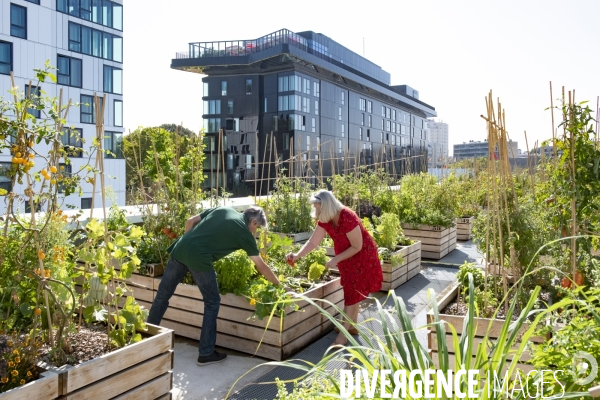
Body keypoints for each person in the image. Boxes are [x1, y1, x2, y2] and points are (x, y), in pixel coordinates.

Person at [147, 206, 286, 366]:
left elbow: (190, 221)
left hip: (181, 248)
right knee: (212, 302)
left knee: (162, 296)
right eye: (257, 227)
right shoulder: (244, 232)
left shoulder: (223, 209)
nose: (255, 232)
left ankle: (146, 341)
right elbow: (261, 266)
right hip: (199, 257)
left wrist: (189, 245)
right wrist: (281, 286)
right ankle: (206, 353)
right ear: (253, 221)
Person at [286, 190, 382, 345]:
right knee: (351, 291)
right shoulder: (326, 218)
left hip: (362, 255)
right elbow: (313, 242)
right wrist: (297, 256)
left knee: (352, 292)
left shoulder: (348, 217)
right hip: (346, 256)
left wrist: (335, 259)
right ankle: (351, 327)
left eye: (318, 208)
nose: (316, 212)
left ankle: (343, 337)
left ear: (327, 206)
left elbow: (357, 246)